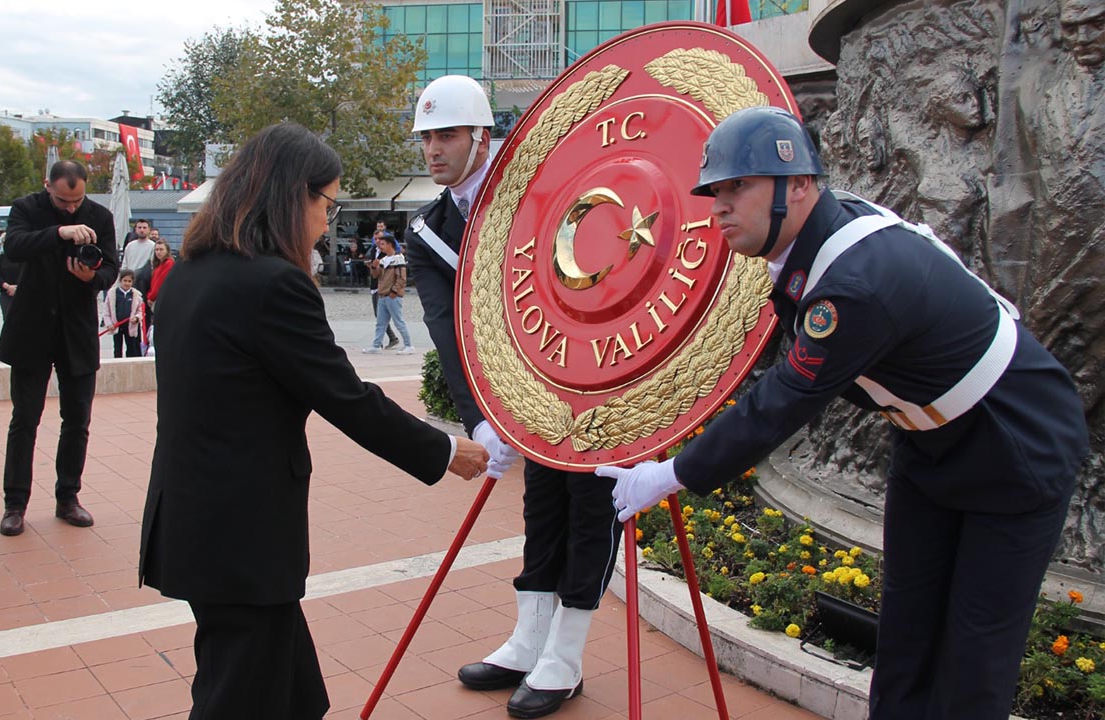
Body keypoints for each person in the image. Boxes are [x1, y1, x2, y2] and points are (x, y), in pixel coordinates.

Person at [598, 106, 1090, 720]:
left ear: (798, 185)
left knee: (974, 655)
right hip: (928, 438)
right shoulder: (816, 241)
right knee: (907, 629)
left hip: (1016, 440)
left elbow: (781, 402)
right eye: (714, 192)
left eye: (737, 187)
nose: (719, 207)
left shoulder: (853, 283)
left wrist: (672, 473)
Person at [138, 122, 490, 720]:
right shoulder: (271, 285)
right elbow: (344, 396)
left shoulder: (191, 273)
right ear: (290, 197)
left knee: (290, 689)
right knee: (237, 693)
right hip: (241, 536)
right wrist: (442, 451)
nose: (329, 219)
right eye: (327, 202)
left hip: (194, 522)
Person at [403, 75, 616, 718]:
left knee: (589, 504)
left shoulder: (542, 187)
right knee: (542, 506)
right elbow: (451, 331)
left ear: (482, 136)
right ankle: (529, 641)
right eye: (426, 137)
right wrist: (481, 418)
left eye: (447, 135)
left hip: (591, 375)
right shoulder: (429, 228)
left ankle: (566, 654)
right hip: (523, 392)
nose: (433, 150)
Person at [0, 160, 119, 536]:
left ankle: (68, 497)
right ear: (46, 185)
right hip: (32, 328)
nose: (70, 206)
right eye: (63, 200)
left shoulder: (99, 215)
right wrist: (60, 231)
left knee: (77, 421)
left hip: (77, 331)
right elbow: (14, 247)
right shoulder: (26, 209)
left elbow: (111, 267)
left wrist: (93, 277)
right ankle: (14, 504)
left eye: (76, 200)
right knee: (24, 420)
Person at [361, 232, 415, 354]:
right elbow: (375, 276)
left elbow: (402, 278)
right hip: (382, 295)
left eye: (382, 244)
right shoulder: (383, 260)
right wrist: (373, 267)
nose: (380, 246)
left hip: (392, 295)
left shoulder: (398, 259)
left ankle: (408, 344)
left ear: (390, 244)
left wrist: (394, 291)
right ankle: (376, 345)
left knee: (398, 322)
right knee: (380, 323)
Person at [368, 220, 398, 348]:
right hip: (375, 285)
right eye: (375, 239)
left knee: (390, 317)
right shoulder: (373, 251)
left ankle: (386, 340)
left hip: (385, 286)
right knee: (379, 315)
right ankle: (387, 339)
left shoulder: (388, 253)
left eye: (379, 239)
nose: (377, 241)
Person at [104, 269, 145, 358]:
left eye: (129, 281)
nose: (127, 283)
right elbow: (106, 311)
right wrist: (109, 323)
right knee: (117, 349)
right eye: (125, 281)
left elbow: (140, 310)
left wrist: (137, 318)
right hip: (117, 326)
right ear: (120, 281)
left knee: (131, 349)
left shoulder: (136, 295)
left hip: (131, 326)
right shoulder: (112, 294)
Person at [0, 250, 21, 318]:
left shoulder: (23, 258)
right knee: (8, 319)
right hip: (6, 293)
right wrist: (7, 286)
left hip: (23, 292)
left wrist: (18, 288)